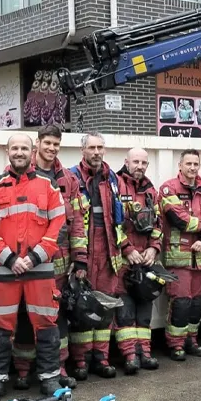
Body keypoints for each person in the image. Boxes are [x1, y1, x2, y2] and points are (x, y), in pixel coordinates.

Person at [0, 134, 67, 400]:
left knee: (46, 323)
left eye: (24, 148)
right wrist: (10, 259)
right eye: (15, 148)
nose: (19, 152)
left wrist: (35, 257)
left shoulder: (49, 186)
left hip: (39, 269)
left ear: (33, 150)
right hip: (5, 270)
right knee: (0, 326)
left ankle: (50, 378)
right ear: (7, 151)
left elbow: (59, 225)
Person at [13, 124, 85, 391]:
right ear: (38, 143)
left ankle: (59, 368)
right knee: (24, 315)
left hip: (59, 261)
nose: (52, 148)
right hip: (29, 261)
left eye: (56, 144)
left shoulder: (69, 180)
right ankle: (23, 370)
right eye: (47, 143)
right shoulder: (21, 173)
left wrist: (80, 259)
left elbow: (77, 221)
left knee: (57, 317)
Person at [69, 131, 133, 379]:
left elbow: (120, 220)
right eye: (92, 147)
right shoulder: (72, 176)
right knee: (84, 307)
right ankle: (81, 361)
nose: (96, 152)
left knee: (105, 308)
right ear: (82, 150)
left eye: (100, 147)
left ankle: (101, 358)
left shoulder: (113, 178)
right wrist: (79, 258)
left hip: (109, 252)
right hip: (86, 250)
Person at [160, 149, 201, 360]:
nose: (192, 168)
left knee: (197, 303)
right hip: (179, 258)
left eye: (196, 164)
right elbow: (179, 219)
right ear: (180, 165)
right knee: (180, 303)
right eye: (188, 164)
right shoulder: (168, 188)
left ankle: (191, 340)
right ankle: (175, 344)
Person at [116, 147, 164, 374]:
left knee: (145, 312)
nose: (140, 167)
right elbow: (111, 225)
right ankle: (129, 356)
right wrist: (127, 249)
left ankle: (144, 353)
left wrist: (154, 249)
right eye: (135, 162)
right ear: (126, 161)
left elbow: (158, 225)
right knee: (125, 312)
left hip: (146, 260)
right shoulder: (114, 185)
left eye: (143, 163)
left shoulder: (150, 190)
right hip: (123, 261)